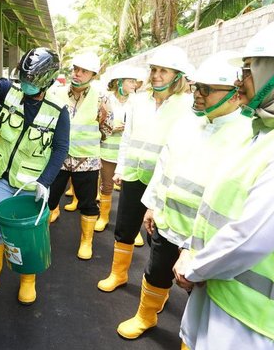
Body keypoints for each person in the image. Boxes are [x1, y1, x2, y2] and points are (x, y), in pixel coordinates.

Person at [173, 16, 274, 349]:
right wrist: (192, 249)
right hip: (224, 300)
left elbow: (251, 237)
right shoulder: (267, 131)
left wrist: (195, 266)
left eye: (248, 70)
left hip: (257, 324)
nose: (238, 81)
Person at [116, 51, 252, 339]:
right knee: (156, 272)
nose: (198, 95)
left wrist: (195, 246)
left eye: (206, 89)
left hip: (206, 237)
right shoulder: (188, 123)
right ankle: (146, 315)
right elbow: (164, 166)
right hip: (168, 223)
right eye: (196, 88)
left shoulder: (247, 135)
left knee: (201, 293)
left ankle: (192, 341)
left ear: (235, 94)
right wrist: (152, 206)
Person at [0, 47, 70, 305]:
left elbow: (60, 149)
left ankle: (27, 282)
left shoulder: (58, 110)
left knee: (26, 236)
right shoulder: (11, 91)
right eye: (22, 78)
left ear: (46, 81)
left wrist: (45, 182)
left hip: (31, 186)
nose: (25, 85)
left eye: (30, 81)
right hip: (1, 178)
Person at [97, 45, 193, 293]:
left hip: (164, 184)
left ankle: (156, 291)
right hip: (134, 176)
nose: (157, 75)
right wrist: (121, 167)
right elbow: (127, 139)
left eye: (164, 71)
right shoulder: (138, 101)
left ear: (178, 76)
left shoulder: (188, 105)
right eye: (154, 70)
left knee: (159, 239)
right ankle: (118, 274)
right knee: (125, 228)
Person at [48, 51, 113, 260]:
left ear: (92, 75)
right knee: (49, 196)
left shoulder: (102, 98)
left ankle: (86, 241)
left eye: (83, 71)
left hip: (87, 160)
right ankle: (50, 216)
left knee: (87, 203)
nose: (77, 74)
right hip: (59, 157)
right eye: (76, 69)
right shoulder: (57, 93)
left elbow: (108, 128)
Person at [95, 64, 147, 232]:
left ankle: (133, 227)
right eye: (131, 81)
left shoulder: (139, 101)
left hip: (130, 154)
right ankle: (103, 217)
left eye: (135, 82)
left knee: (131, 192)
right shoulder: (105, 98)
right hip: (107, 151)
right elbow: (96, 121)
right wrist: (110, 127)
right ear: (119, 82)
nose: (134, 85)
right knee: (107, 185)